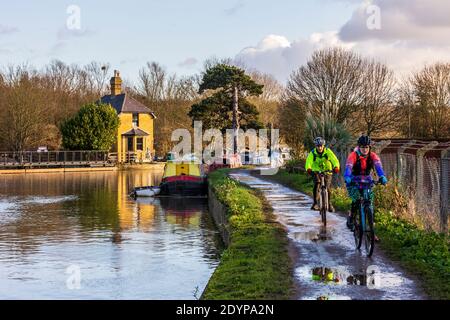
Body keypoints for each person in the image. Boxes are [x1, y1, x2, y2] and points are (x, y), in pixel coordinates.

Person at [344, 135, 388, 239]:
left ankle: (371, 231)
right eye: (363, 147)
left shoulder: (373, 156)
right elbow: (348, 167)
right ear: (359, 147)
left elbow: (378, 166)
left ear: (370, 148)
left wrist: (382, 176)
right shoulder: (353, 155)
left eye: (367, 147)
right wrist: (347, 176)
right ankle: (352, 216)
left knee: (370, 204)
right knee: (356, 199)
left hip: (367, 181)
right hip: (353, 180)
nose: (365, 149)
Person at [305, 137, 340, 212]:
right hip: (316, 171)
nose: (320, 148)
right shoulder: (312, 153)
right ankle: (315, 203)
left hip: (327, 171)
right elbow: (308, 161)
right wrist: (309, 169)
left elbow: (334, 160)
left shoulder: (328, 151)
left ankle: (329, 204)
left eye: (321, 146)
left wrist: (336, 167)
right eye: (318, 146)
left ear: (323, 145)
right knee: (317, 184)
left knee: (327, 187)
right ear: (315, 146)